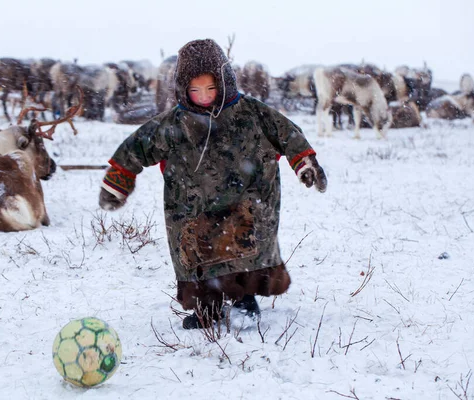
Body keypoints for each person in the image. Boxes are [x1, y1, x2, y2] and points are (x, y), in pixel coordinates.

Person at [99, 39, 327, 329]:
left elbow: (287, 135)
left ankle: (245, 300)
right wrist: (118, 181)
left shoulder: (251, 113)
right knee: (198, 253)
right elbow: (138, 147)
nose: (204, 96)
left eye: (211, 88)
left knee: (243, 248)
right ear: (183, 88)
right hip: (193, 205)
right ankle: (208, 308)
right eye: (195, 90)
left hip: (245, 198)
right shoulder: (174, 123)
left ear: (224, 82)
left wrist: (304, 163)